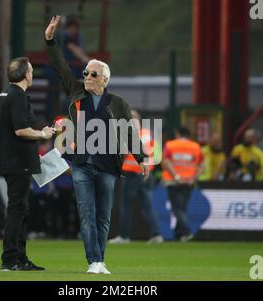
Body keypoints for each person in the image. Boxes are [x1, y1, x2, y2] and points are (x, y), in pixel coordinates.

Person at [45, 16, 149, 274]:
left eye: (93, 74)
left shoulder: (118, 104)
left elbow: (128, 133)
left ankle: (100, 260)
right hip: (81, 164)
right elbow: (60, 66)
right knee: (86, 213)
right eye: (86, 72)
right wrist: (50, 40)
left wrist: (141, 157)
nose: (87, 76)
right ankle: (94, 261)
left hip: (108, 166)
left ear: (104, 79)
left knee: (104, 217)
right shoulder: (76, 91)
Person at [0, 56, 55, 271]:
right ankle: (11, 259)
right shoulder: (18, 95)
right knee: (17, 209)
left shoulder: (5, 94)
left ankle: (19, 258)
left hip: (13, 159)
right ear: (25, 74)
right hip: (17, 162)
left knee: (19, 209)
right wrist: (43, 133)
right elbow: (21, 130)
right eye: (30, 71)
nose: (32, 74)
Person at [109, 110, 163, 244]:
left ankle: (124, 236)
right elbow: (154, 155)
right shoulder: (146, 134)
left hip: (133, 174)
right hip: (144, 173)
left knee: (126, 205)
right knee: (147, 205)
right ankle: (156, 234)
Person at [162, 126, 203, 242]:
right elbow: (202, 164)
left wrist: (175, 176)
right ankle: (179, 235)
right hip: (189, 182)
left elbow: (165, 161)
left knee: (176, 209)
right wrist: (194, 177)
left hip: (173, 181)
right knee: (182, 208)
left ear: (178, 133)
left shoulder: (170, 145)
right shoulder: (195, 146)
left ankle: (187, 231)